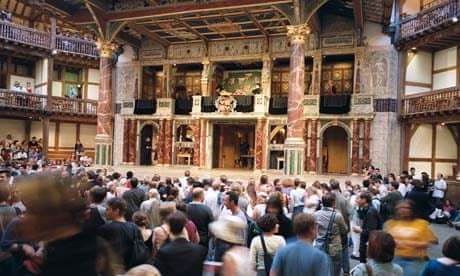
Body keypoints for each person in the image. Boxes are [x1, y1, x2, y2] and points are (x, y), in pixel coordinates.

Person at [384, 200, 438, 276]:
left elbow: (427, 243)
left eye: (406, 207)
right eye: (400, 207)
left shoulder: (422, 224)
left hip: (414, 260)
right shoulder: (390, 223)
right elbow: (384, 241)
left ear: (412, 209)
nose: (402, 210)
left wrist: (404, 243)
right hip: (393, 259)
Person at [314, 193, 348, 275]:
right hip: (335, 246)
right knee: (335, 269)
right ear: (333, 203)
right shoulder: (337, 216)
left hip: (320, 245)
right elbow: (344, 230)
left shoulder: (316, 214)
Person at [352, 191, 382, 263]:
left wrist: (360, 230)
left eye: (358, 198)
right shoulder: (365, 209)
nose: (356, 200)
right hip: (366, 243)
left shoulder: (371, 212)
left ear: (364, 200)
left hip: (369, 245)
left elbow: (372, 231)